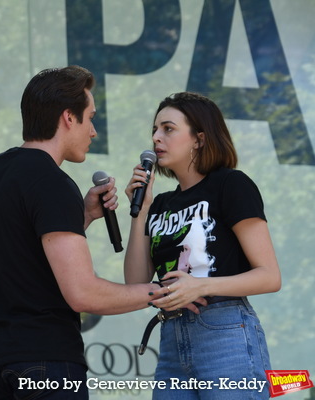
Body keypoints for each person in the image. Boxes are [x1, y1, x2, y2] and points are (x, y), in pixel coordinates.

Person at [0, 66, 184, 399]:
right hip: (45, 361)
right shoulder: (52, 181)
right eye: (90, 117)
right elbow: (83, 294)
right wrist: (164, 293)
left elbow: (21, 254)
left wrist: (82, 216)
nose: (94, 131)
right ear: (69, 117)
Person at [123, 92, 281, 399]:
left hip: (224, 332)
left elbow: (269, 276)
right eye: (155, 130)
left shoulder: (230, 184)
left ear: (199, 138)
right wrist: (140, 212)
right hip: (171, 336)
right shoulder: (161, 204)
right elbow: (136, 282)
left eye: (168, 129)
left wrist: (200, 286)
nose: (156, 138)